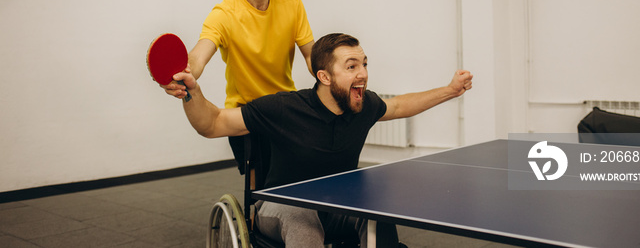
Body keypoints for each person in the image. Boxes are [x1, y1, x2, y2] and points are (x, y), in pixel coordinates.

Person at [171, 33, 474, 248]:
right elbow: (212, 123)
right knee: (302, 216)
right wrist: (191, 93)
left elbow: (398, 106)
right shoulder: (283, 108)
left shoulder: (362, 105)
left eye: (364, 64)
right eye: (352, 66)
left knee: (378, 213)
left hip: (336, 207)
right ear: (325, 77)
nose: (364, 74)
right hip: (279, 207)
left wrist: (450, 90)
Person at [164, 0, 315, 175]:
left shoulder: (292, 2)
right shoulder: (224, 13)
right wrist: (183, 72)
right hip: (247, 113)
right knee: (260, 193)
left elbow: (311, 55)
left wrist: (330, 71)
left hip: (285, 107)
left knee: (299, 179)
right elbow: (199, 56)